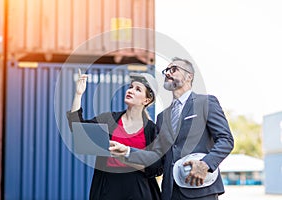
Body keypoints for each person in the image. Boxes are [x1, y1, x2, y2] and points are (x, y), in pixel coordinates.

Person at [110, 57, 234, 200]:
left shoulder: (205, 102)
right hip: (170, 193)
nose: (168, 73)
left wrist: (205, 163)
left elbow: (226, 140)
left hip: (200, 190)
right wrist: (127, 151)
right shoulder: (162, 117)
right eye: (166, 70)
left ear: (189, 76)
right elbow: (157, 156)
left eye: (173, 69)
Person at [66, 69, 163, 200]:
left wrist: (125, 157)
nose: (130, 91)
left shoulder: (151, 129)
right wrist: (78, 94)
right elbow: (77, 128)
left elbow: (156, 168)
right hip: (108, 188)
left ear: (146, 100)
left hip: (138, 190)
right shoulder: (109, 119)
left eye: (138, 89)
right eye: (130, 87)